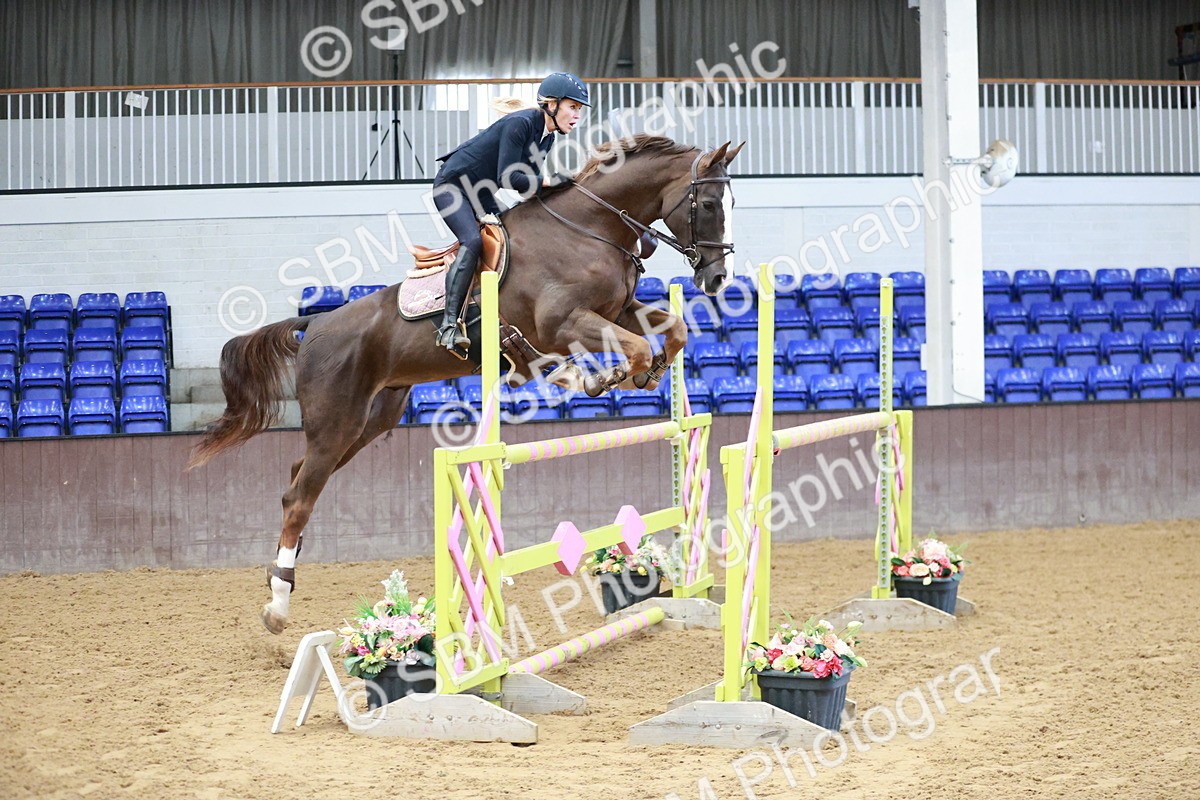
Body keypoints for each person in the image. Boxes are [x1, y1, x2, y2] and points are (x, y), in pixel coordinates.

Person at [430, 72, 589, 355]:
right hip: (452, 187)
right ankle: (448, 325)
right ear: (552, 105)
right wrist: (552, 181)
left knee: (514, 235)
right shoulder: (520, 123)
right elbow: (509, 178)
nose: (577, 115)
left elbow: (526, 189)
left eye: (579, 109)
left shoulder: (546, 139)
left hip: (480, 191)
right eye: (573, 107)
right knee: (473, 241)